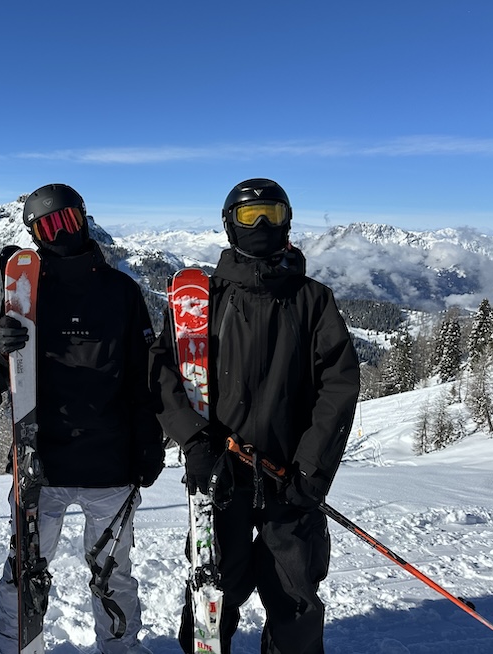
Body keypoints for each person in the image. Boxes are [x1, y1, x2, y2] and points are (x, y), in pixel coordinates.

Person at [149, 178, 360, 654]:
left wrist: (312, 469)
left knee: (294, 594)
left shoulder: (313, 300)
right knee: (215, 586)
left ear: (288, 222)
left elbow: (339, 386)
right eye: (250, 216)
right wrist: (195, 441)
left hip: (290, 476)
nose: (262, 224)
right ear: (230, 225)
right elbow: (163, 374)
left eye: (272, 214)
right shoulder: (202, 301)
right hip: (220, 475)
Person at [0, 183, 165, 654]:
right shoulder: (27, 292)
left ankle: (119, 648)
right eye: (48, 227)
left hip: (111, 464)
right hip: (40, 464)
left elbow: (143, 377)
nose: (61, 233)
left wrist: (149, 442)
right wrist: (0, 348)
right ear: (35, 236)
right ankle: (13, 646)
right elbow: (10, 378)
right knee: (23, 569)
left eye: (67, 220)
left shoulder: (121, 291)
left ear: (84, 219)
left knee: (113, 574)